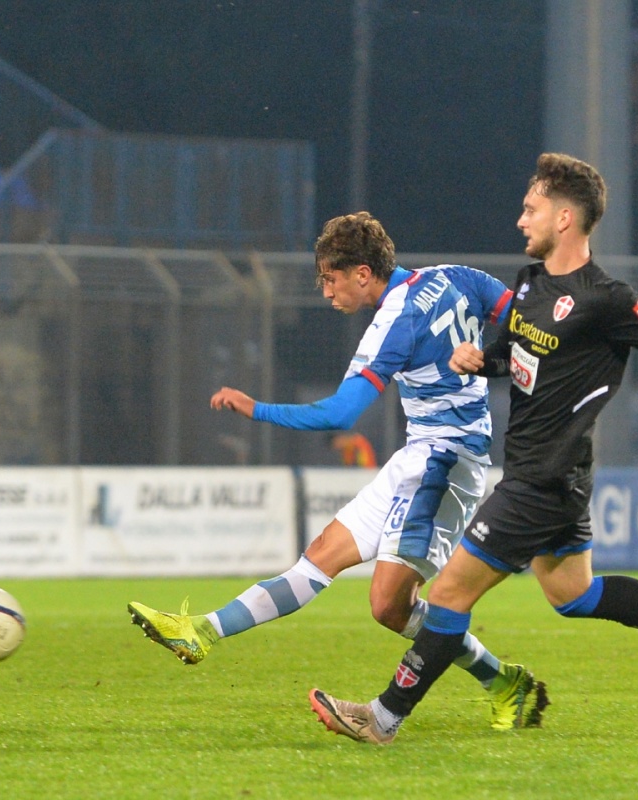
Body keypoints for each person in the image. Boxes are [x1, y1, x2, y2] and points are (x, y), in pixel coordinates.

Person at [309, 153, 638, 745]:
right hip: (543, 474)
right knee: (576, 595)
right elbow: (514, 356)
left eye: (531, 209)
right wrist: (481, 360)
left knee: (444, 596)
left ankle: (383, 717)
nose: (522, 220)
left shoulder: (606, 299)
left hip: (543, 481)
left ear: (565, 219)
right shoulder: (529, 283)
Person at [129, 212, 547, 731]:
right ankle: (202, 631)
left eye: (330, 278)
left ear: (363, 273)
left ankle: (498, 681)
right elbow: (526, 318)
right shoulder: (457, 276)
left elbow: (338, 415)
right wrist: (498, 357)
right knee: (320, 558)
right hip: (419, 456)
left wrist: (256, 408)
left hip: (445, 460)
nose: (326, 292)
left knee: (388, 606)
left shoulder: (394, 321)